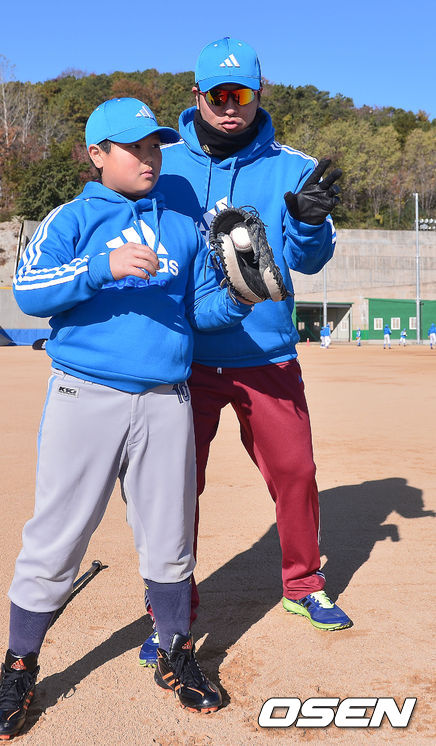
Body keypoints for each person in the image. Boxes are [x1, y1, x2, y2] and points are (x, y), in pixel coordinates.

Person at [0, 97, 259, 738]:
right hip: (86, 394)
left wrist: (242, 297)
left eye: (155, 145)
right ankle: (19, 666)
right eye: (134, 148)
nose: (149, 157)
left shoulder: (182, 224)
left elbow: (200, 311)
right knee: (57, 535)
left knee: (170, 535)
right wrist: (100, 267)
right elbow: (28, 292)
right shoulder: (74, 217)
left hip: (166, 398)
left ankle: (175, 653)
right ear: (98, 154)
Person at [138, 36, 351, 668]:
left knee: (296, 473)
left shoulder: (293, 166)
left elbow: (309, 261)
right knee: (177, 487)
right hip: (186, 356)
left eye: (242, 94)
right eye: (219, 94)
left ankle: (304, 584)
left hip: (267, 353)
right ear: (197, 94)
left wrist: (308, 222)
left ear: (259, 94)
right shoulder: (162, 164)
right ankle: (171, 610)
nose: (231, 106)